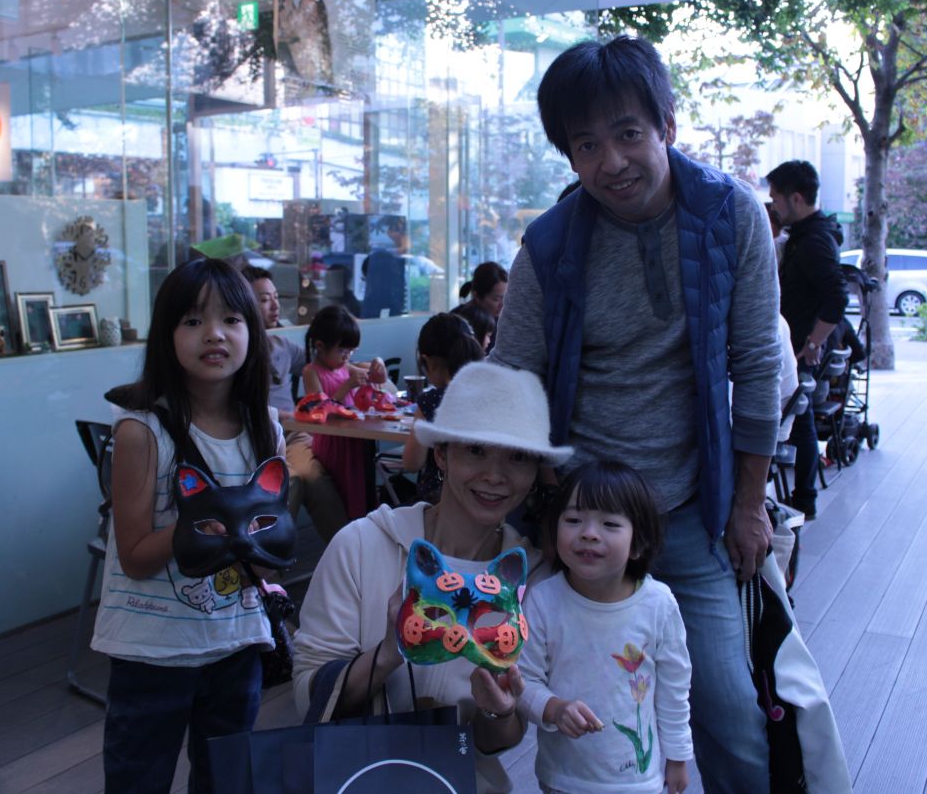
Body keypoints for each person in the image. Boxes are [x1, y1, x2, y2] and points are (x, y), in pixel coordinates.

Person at [490, 36, 817, 793]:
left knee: (729, 708)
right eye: (586, 145)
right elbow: (512, 374)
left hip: (689, 507)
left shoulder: (730, 215)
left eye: (628, 133)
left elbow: (757, 366)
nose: (611, 161)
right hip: (580, 515)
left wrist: (748, 505)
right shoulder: (549, 244)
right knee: (587, 701)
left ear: (667, 124)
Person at [292, 361, 573, 793]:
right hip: (352, 778)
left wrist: (498, 710)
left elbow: (497, 742)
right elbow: (308, 696)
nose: (495, 475)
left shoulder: (531, 580)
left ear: (536, 471)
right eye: (475, 450)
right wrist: (389, 652)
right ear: (441, 454)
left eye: (518, 457)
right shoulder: (362, 545)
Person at [91, 257, 285, 794]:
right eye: (193, 320)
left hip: (237, 642)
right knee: (138, 782)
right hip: (152, 649)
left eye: (231, 319)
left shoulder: (266, 429)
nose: (214, 334)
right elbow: (133, 555)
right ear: (167, 335)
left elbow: (268, 553)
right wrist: (201, 528)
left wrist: (260, 542)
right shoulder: (141, 431)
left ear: (253, 331)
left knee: (226, 781)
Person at [517, 460, 692, 794]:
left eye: (610, 523)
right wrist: (554, 709)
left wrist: (678, 756)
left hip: (638, 782)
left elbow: (674, 686)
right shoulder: (543, 600)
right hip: (564, 780)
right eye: (573, 520)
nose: (588, 533)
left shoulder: (658, 604)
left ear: (637, 543)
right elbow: (523, 679)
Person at [767, 159, 849, 520]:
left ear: (796, 198)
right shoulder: (807, 234)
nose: (774, 206)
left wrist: (814, 343)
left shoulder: (814, 240)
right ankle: (804, 497)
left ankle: (805, 498)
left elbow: (837, 297)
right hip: (795, 343)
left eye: (776, 198)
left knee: (800, 423)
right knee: (801, 423)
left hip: (800, 347)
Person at [244, 267, 347, 541]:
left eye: (276, 297)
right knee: (291, 481)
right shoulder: (238, 351)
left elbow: (325, 364)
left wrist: (364, 366)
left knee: (317, 478)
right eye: (264, 299)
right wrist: (285, 415)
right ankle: (268, 561)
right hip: (259, 437)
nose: (275, 305)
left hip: (294, 434)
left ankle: (349, 553)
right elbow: (237, 405)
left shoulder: (282, 345)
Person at [301, 305, 387, 522]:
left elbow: (377, 378)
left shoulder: (345, 367)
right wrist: (347, 386)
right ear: (320, 346)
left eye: (351, 351)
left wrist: (379, 365)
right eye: (342, 351)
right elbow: (318, 409)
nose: (347, 357)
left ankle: (363, 529)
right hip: (332, 443)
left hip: (353, 439)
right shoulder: (311, 372)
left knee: (360, 491)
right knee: (343, 494)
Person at [401, 313, 487, 504]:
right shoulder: (490, 393)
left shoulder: (431, 401)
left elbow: (412, 463)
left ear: (427, 360)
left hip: (440, 500)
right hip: (486, 495)